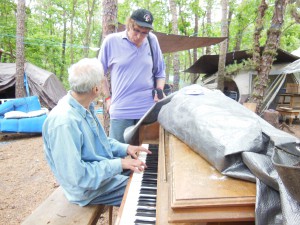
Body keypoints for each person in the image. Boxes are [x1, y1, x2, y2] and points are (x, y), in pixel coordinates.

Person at [42, 58, 151, 207]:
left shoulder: (83, 106)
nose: (104, 83)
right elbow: (78, 177)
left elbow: (100, 142)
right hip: (87, 190)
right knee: (148, 196)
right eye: (102, 80)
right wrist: (119, 164)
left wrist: (125, 148)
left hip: (100, 175)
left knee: (148, 171)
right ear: (96, 89)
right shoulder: (64, 122)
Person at [98, 8, 166, 143]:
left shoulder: (152, 41)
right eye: (136, 30)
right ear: (129, 24)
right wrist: (107, 98)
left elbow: (160, 72)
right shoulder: (111, 41)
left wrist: (159, 89)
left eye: (144, 33)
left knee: (146, 153)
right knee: (118, 156)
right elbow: (99, 73)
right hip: (121, 110)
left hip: (148, 111)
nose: (140, 36)